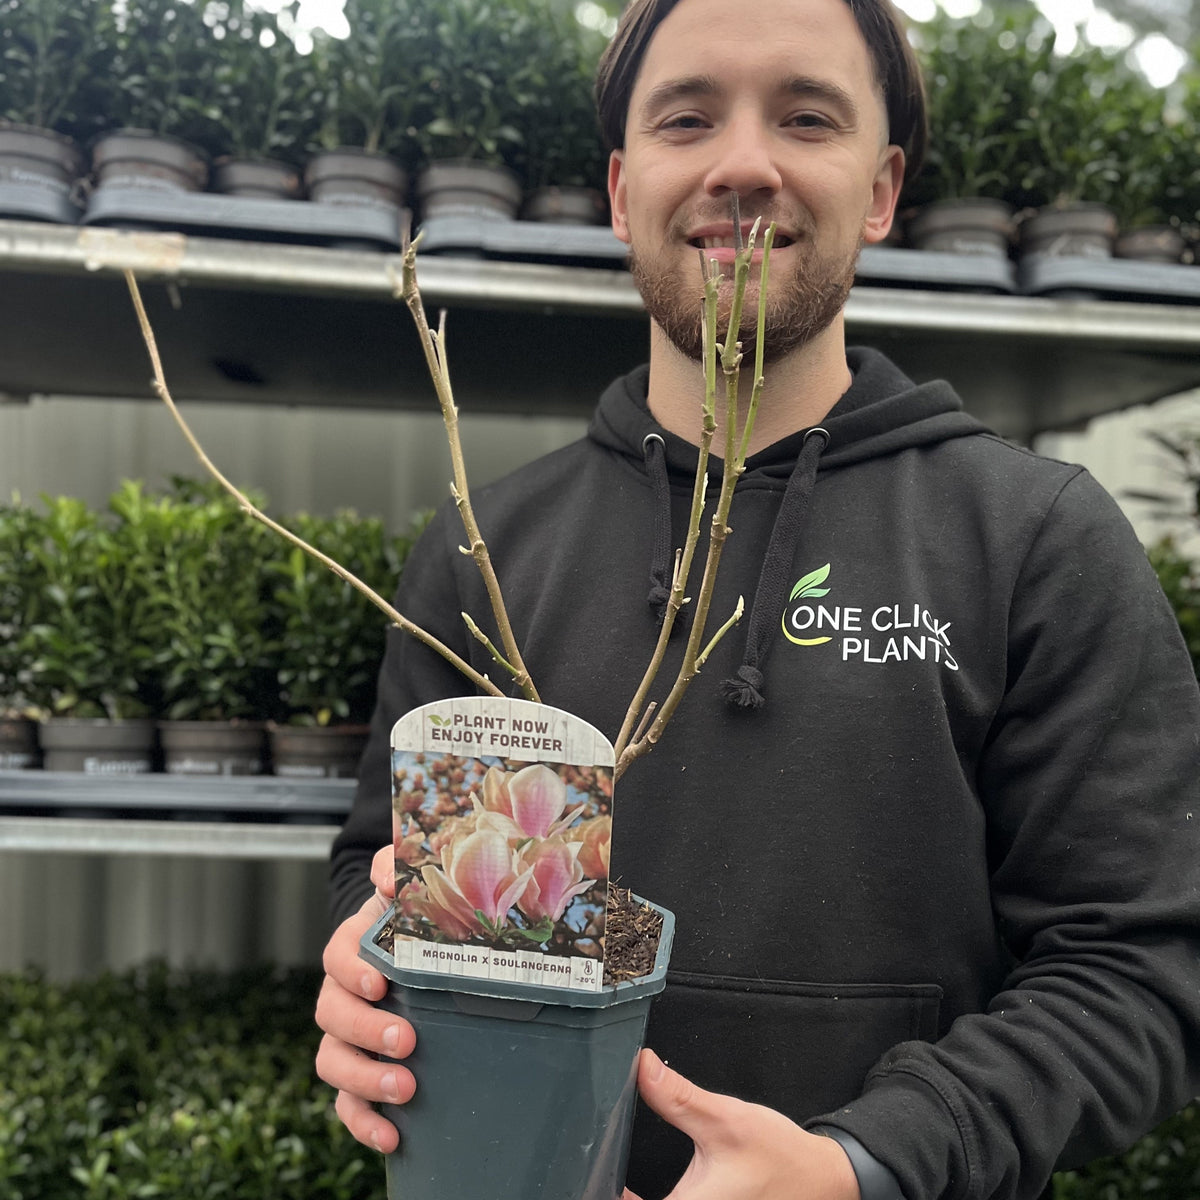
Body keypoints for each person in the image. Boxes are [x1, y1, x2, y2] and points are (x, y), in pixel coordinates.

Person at [315, 0, 1200, 1196]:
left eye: (805, 115)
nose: (743, 164)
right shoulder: (491, 547)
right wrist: (368, 975)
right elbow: (381, 865)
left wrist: (863, 1163)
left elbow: (1139, 965)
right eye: (689, 117)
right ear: (625, 189)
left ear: (881, 190)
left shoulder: (1033, 539)